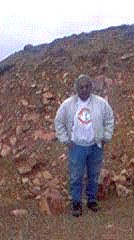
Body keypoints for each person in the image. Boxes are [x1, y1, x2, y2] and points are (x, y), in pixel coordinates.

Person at [54, 74, 114, 217]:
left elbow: (109, 119)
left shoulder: (100, 103)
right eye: (81, 87)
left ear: (91, 87)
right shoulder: (68, 104)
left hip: (95, 145)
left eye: (87, 86)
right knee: (76, 176)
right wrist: (65, 140)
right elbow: (58, 122)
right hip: (77, 147)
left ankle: (92, 200)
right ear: (76, 88)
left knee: (94, 175)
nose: (84, 89)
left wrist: (106, 137)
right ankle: (76, 203)